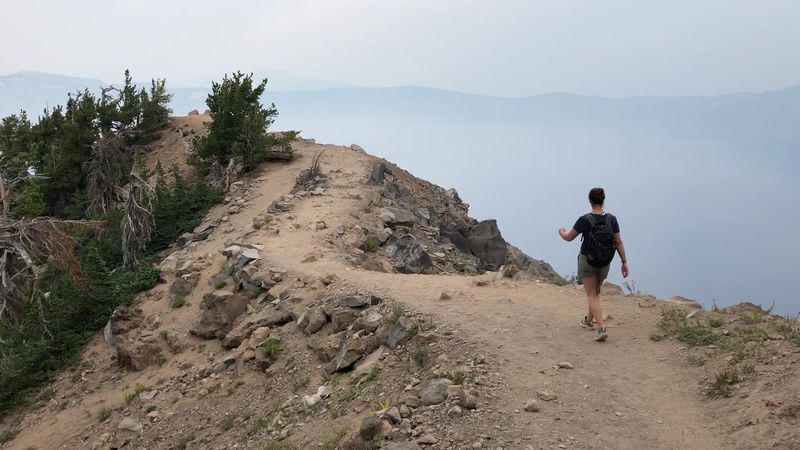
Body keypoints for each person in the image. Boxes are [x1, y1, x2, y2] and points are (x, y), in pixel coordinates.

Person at [558, 187, 628, 342]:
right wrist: (624, 262)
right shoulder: (612, 219)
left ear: (590, 201)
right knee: (595, 292)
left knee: (592, 295)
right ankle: (589, 321)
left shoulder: (585, 219)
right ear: (603, 201)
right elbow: (618, 242)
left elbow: (569, 237)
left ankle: (601, 328)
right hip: (604, 262)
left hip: (587, 261)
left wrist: (561, 231)